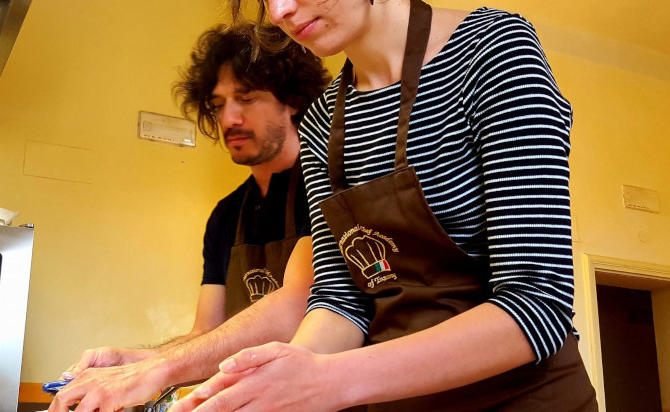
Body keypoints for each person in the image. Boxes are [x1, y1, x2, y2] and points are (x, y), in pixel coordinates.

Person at [173, 0, 598, 411]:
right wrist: (280, 382)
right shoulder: (322, 122)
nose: (279, 10)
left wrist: (326, 382)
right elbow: (341, 301)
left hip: (525, 400)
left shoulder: (493, 51)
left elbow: (538, 303)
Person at [47, 23, 331, 412]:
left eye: (245, 98)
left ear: (292, 100)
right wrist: (132, 360)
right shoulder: (227, 214)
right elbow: (207, 334)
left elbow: (297, 305)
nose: (229, 118)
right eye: (218, 105)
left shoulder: (326, 184)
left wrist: (156, 370)